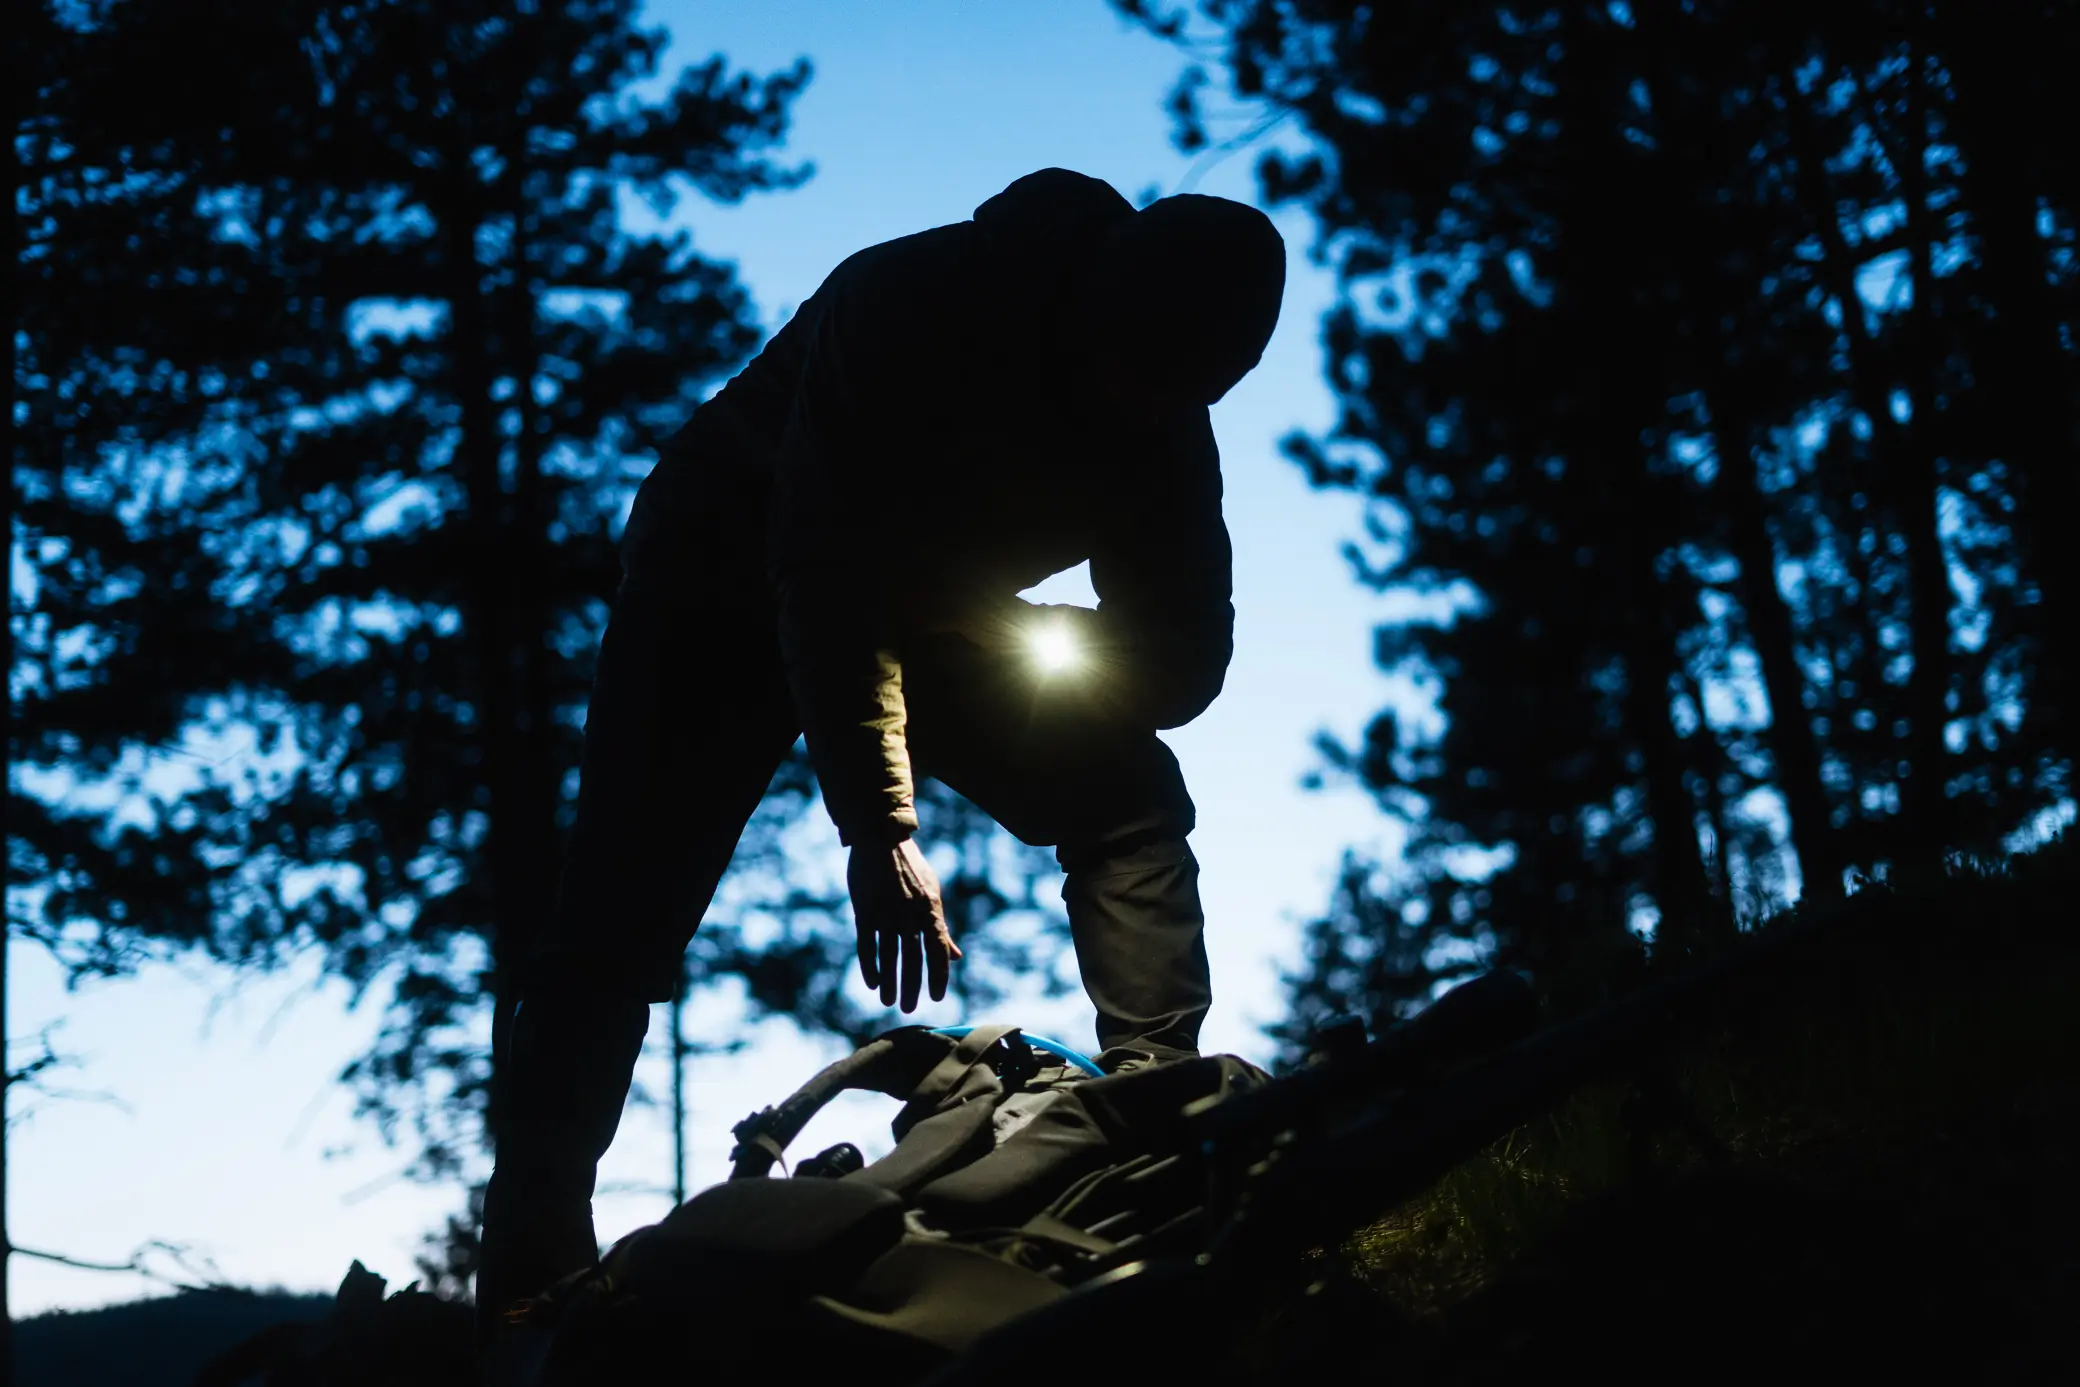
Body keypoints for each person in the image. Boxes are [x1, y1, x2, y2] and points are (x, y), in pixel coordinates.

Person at [474, 167, 1286, 1340]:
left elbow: (1182, 663)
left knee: (1125, 794)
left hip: (916, 608)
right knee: (615, 918)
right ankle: (526, 1274)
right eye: (1144, 370)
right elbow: (818, 578)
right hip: (723, 576)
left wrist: (998, 623)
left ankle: (1150, 1106)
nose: (1152, 403)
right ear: (1099, 312)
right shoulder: (908, 306)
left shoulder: (1164, 420)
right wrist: (882, 828)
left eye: (1197, 386)